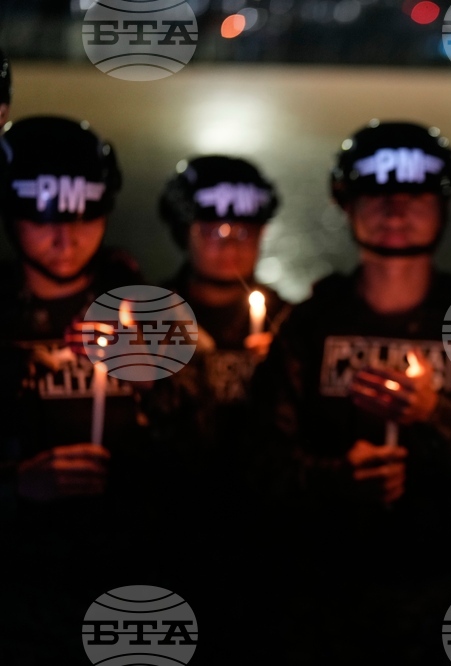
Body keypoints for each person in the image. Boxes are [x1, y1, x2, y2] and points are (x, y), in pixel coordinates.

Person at [253, 120, 451, 664]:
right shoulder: (310, 323)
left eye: (414, 192)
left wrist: (432, 413)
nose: (395, 209)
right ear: (346, 205)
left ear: (442, 207)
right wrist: (337, 480)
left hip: (448, 598)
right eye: (375, 193)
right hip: (324, 599)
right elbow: (258, 462)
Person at [0, 116, 150, 662]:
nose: (66, 237)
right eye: (43, 218)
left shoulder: (149, 318)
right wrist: (16, 487)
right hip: (17, 601)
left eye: (84, 215)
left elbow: (213, 461)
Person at [149, 155, 289, 660]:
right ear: (183, 230)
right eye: (214, 229)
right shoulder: (146, 319)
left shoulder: (291, 323)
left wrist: (278, 377)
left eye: (246, 229)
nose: (231, 242)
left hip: (272, 549)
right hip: (170, 541)